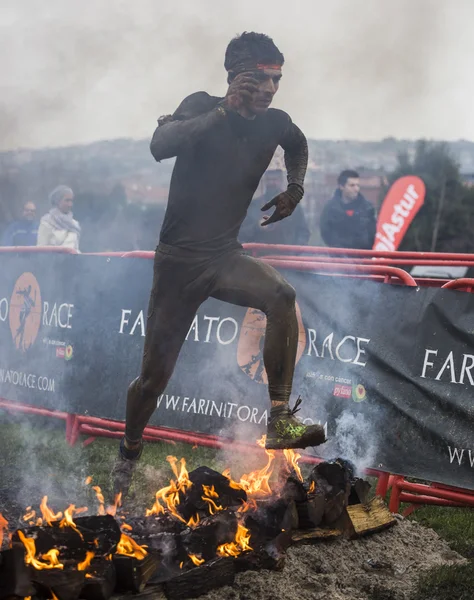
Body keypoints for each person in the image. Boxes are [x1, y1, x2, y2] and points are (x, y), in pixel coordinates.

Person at [112, 32, 326, 496]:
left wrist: (296, 188)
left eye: (278, 78)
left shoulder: (276, 122)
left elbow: (298, 143)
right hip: (177, 262)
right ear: (236, 75)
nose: (271, 88)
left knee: (281, 295)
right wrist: (223, 111)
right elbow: (159, 143)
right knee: (153, 380)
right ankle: (128, 451)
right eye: (262, 77)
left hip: (223, 254)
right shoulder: (202, 103)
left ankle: (280, 419)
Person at [320, 170, 376, 249]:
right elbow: (326, 233)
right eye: (352, 185)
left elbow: (372, 234)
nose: (356, 189)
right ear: (341, 186)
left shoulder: (368, 209)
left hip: (363, 257)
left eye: (358, 185)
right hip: (337, 257)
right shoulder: (330, 209)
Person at [240, 188, 310, 246]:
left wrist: (295, 251)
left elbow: (303, 232)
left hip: (287, 256)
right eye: (270, 178)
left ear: (281, 179)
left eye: (276, 179)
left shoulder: (293, 206)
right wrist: (257, 226)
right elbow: (242, 234)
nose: (272, 182)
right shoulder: (254, 206)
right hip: (260, 256)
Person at [37, 186, 81, 250]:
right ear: (58, 201)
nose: (70, 204)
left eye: (71, 200)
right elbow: (40, 249)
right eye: (67, 200)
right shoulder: (47, 222)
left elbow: (76, 249)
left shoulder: (74, 224)